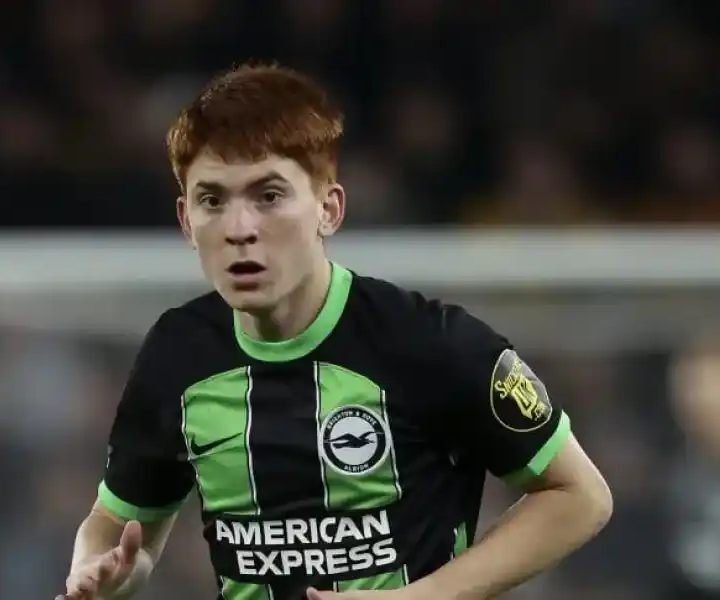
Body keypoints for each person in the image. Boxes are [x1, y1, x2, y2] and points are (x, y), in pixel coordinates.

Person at [57, 63, 613, 600]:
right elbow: (118, 526)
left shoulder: (430, 343)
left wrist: (427, 596)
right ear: (186, 220)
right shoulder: (176, 354)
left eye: (269, 196)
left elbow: (580, 494)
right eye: (212, 200)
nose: (240, 228)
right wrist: (100, 572)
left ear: (329, 209)